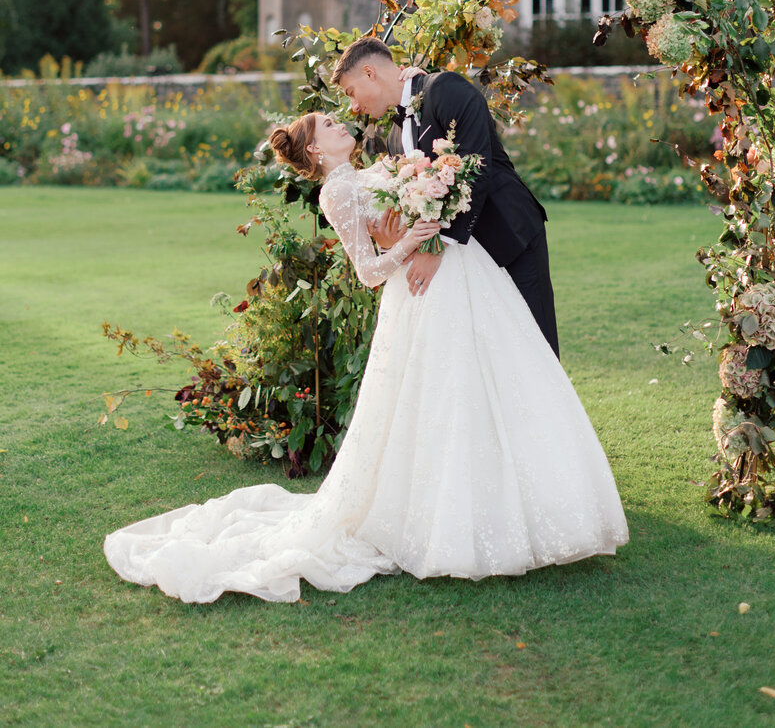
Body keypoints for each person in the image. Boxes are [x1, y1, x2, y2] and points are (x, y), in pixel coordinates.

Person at [103, 111, 628, 604]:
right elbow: (368, 270)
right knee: (445, 394)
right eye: (330, 123)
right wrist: (414, 242)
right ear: (315, 147)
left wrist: (429, 197)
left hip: (461, 276)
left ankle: (515, 504)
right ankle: (447, 521)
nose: (342, 123)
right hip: (419, 290)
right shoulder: (338, 191)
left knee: (492, 379)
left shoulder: (376, 167)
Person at [332, 37, 560, 357]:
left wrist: (435, 249)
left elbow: (475, 166)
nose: (353, 106)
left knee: (536, 346)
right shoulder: (395, 138)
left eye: (350, 92)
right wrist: (394, 241)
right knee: (494, 353)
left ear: (369, 73)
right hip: (466, 264)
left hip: (509, 234)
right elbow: (418, 204)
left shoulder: (445, 90)